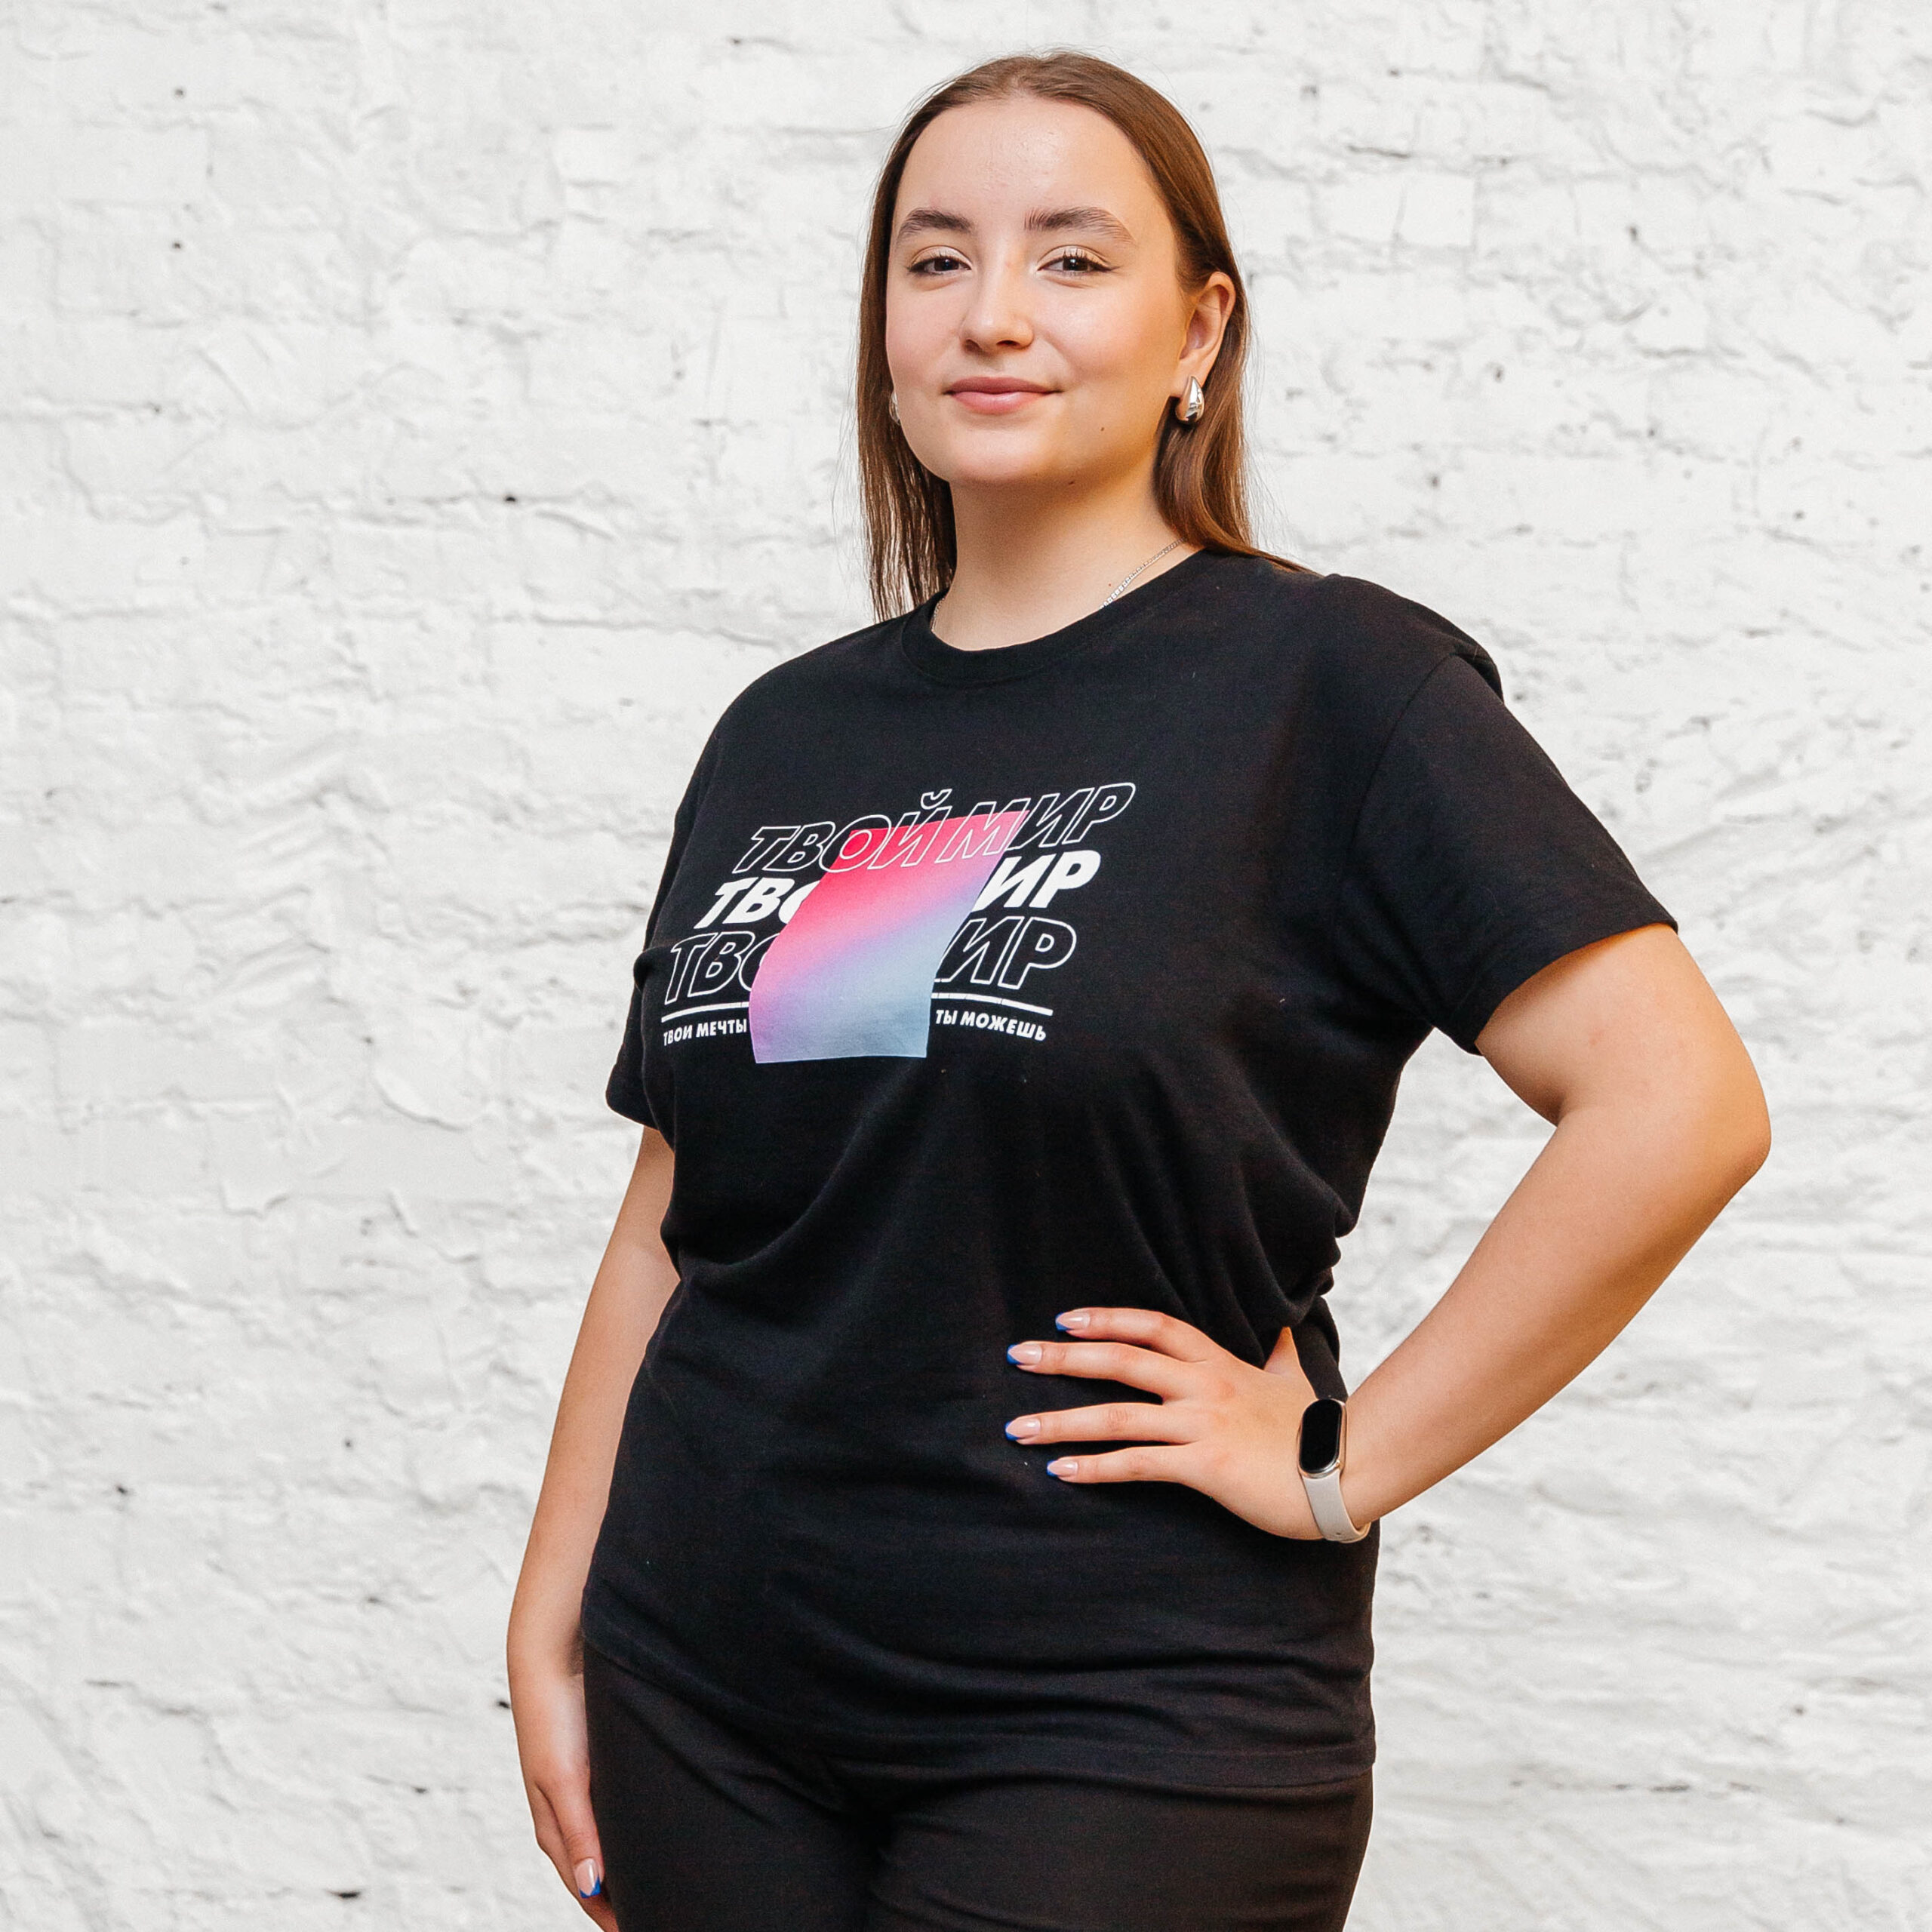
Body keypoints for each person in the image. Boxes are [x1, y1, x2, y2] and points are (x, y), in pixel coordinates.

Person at [505, 50, 1770, 1932]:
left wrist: (1340, 1463)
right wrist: (554, 1609)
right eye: (935, 259)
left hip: (1125, 1709)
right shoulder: (786, 731)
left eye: (1071, 258)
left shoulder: (1330, 686)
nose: (992, 313)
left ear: (1198, 331)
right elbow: (680, 1213)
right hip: (708, 1688)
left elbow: (1677, 1104)